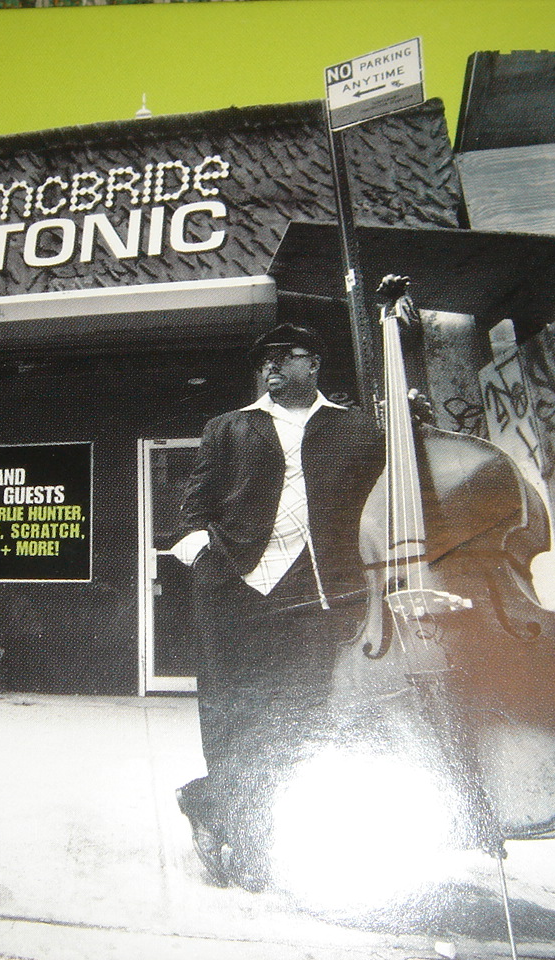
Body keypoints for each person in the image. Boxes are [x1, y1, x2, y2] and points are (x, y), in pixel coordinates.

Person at [170, 322, 384, 891]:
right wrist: (204, 555)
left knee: (299, 718)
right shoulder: (229, 426)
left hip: (315, 593)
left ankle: (246, 826)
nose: (270, 366)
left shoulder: (357, 429)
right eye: (264, 359)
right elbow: (194, 506)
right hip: (235, 591)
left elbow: (382, 500)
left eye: (284, 356)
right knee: (232, 712)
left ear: (313, 364)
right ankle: (237, 831)